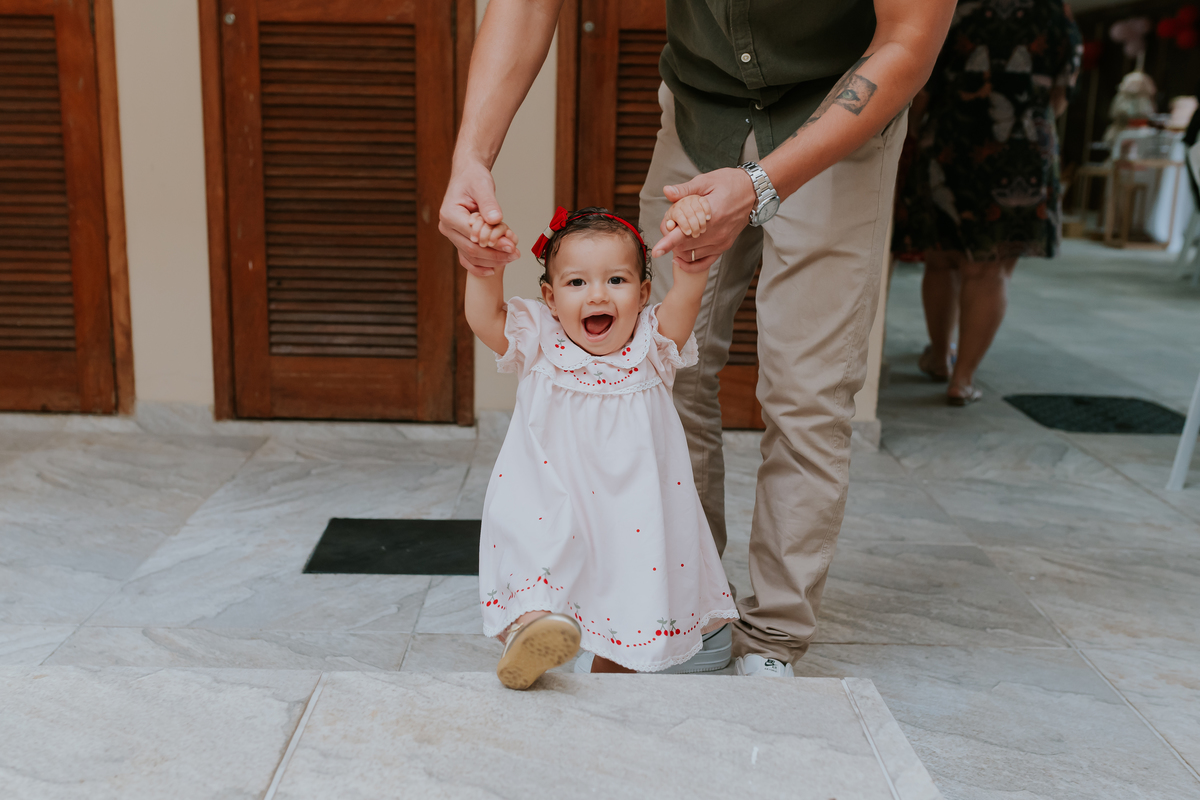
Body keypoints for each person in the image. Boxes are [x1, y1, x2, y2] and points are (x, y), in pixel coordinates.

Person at [441, 0, 956, 678]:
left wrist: (756, 189)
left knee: (807, 393)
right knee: (668, 384)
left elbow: (909, 39)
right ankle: (678, 618)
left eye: (610, 283)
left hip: (838, 109)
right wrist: (470, 161)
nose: (596, 297)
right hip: (702, 108)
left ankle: (771, 640)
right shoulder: (542, 331)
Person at [467, 201, 739, 689]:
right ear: (550, 298)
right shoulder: (539, 341)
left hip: (629, 513)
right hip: (549, 496)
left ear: (643, 292)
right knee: (535, 558)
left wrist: (692, 266)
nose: (598, 294)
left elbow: (683, 303)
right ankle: (531, 632)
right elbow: (484, 316)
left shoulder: (653, 346)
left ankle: (607, 680)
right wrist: (485, 267)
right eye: (576, 283)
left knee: (628, 612)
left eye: (616, 280)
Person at [893, 0, 1082, 405]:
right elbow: (1062, 94)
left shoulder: (956, 5)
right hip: (1022, 146)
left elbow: (923, 82)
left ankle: (939, 356)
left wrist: (911, 135)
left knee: (942, 257)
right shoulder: (1054, 10)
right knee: (990, 268)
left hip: (951, 139)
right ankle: (962, 379)